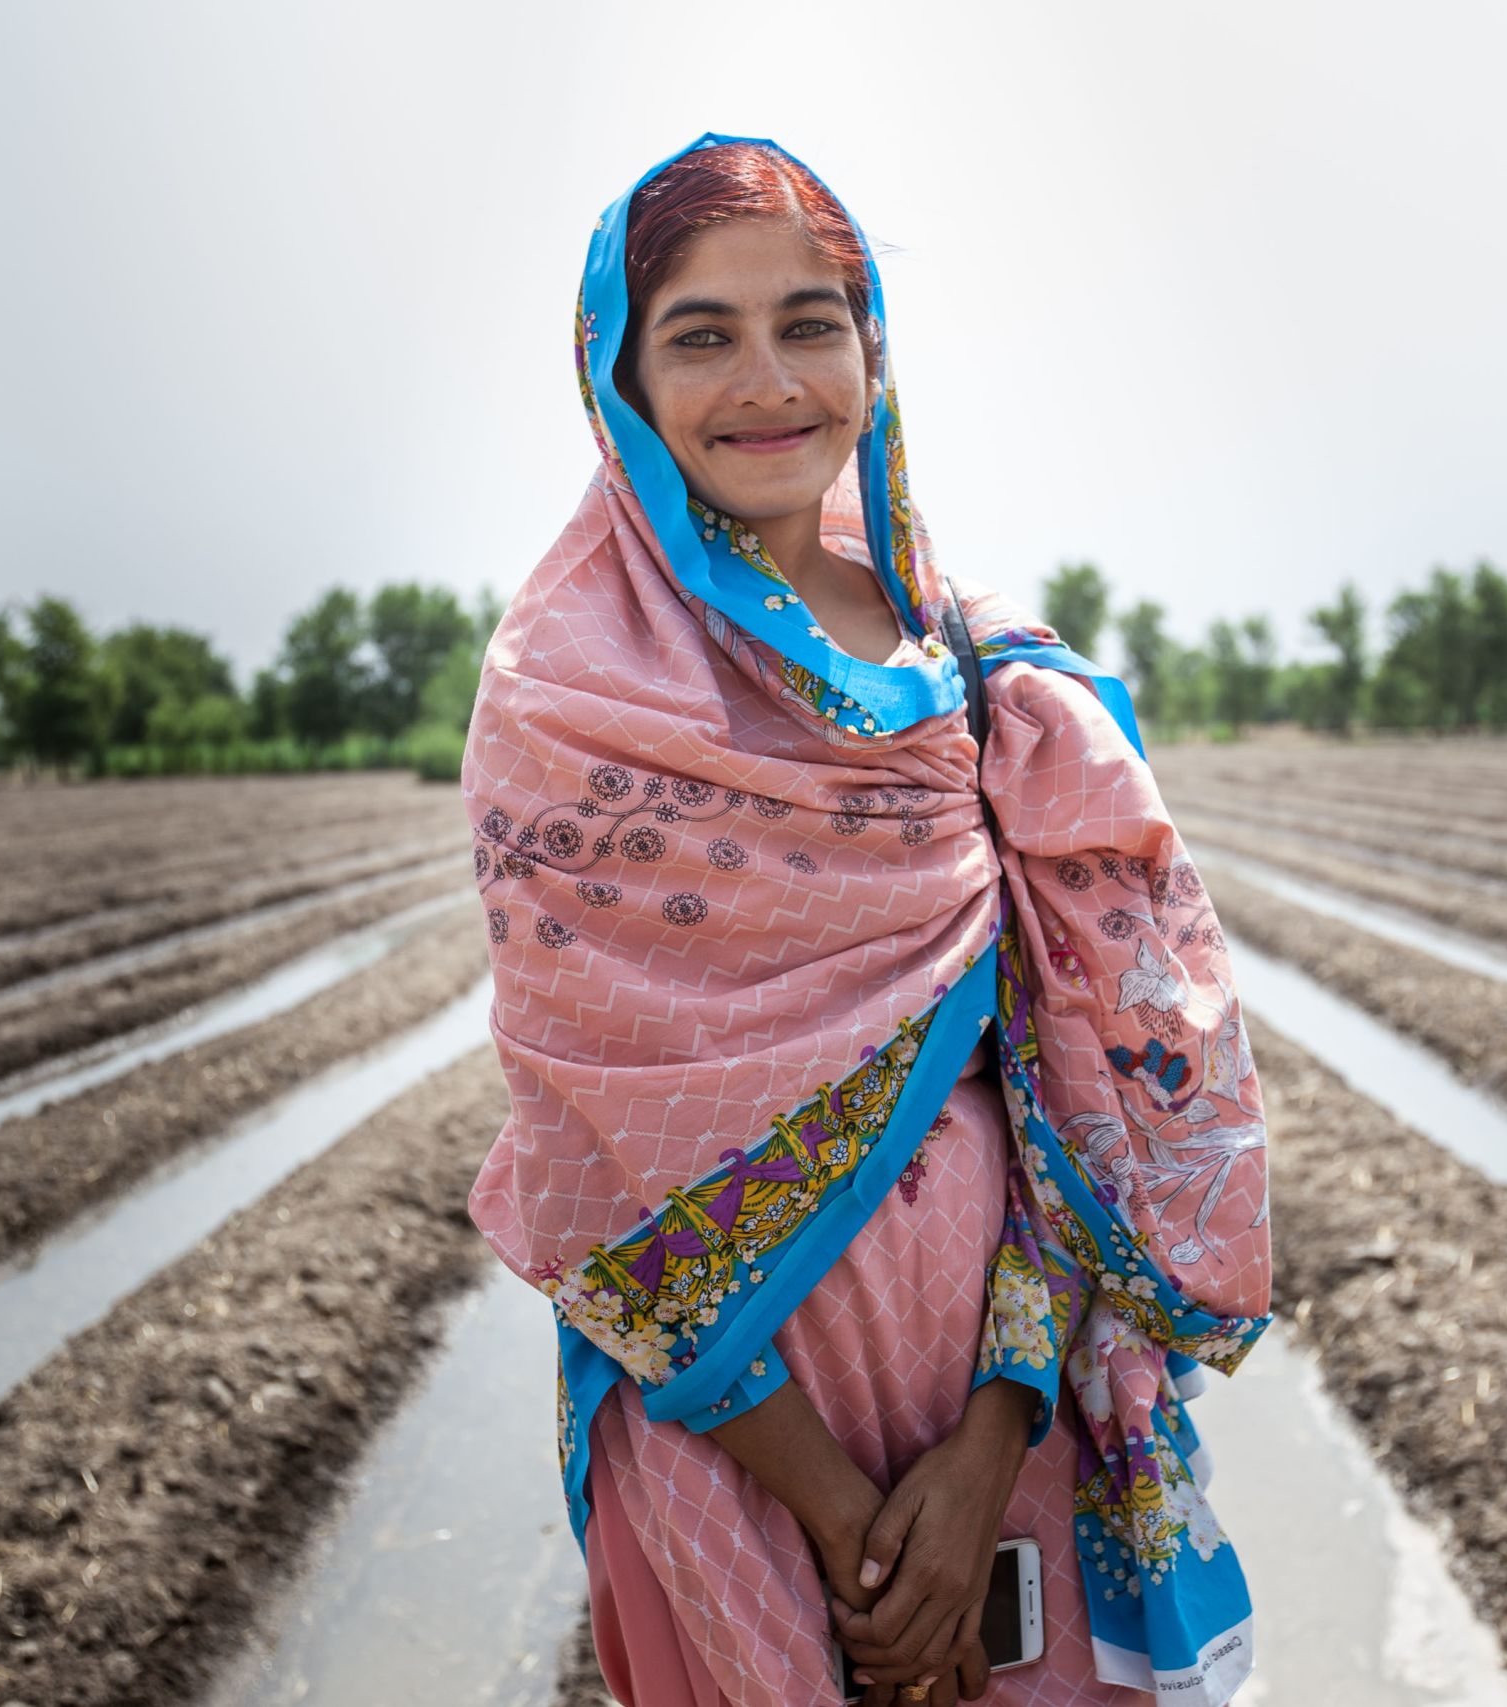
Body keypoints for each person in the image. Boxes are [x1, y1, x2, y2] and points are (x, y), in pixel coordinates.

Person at [464, 134, 1273, 1707]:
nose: (767, 378)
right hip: (741, 1421)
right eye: (702, 333)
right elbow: (586, 1149)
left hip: (993, 1391)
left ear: (871, 348)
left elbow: (1057, 1080)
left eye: (812, 321)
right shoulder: (573, 693)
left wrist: (995, 1436)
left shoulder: (964, 663)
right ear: (618, 380)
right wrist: (842, 1518)